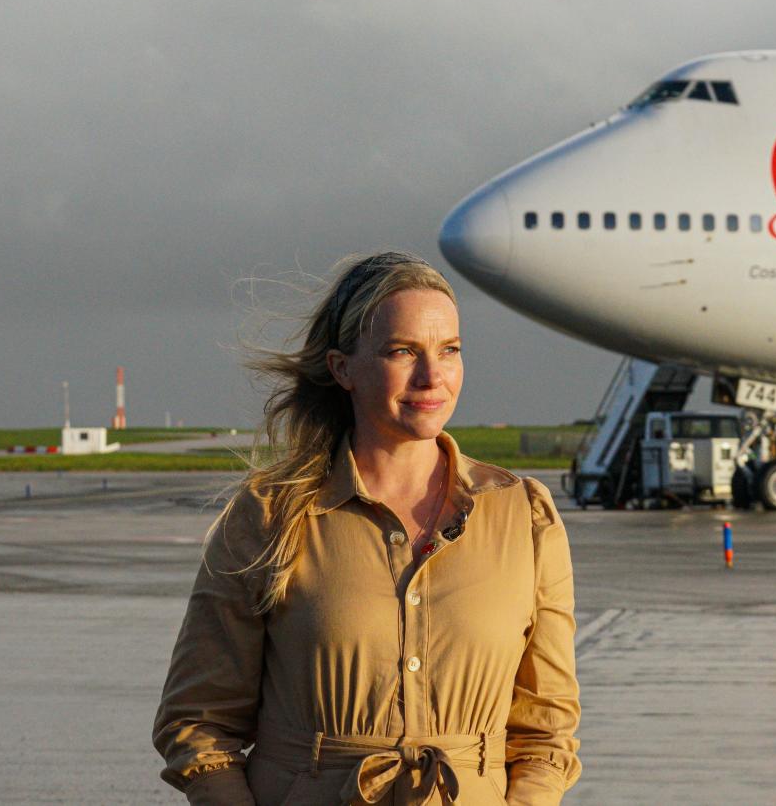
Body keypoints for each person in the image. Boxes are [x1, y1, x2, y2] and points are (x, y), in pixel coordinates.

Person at [153, 252, 580, 805]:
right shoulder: (269, 515)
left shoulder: (524, 515)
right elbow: (198, 724)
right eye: (402, 351)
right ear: (342, 368)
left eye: (449, 351)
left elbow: (547, 732)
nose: (432, 377)